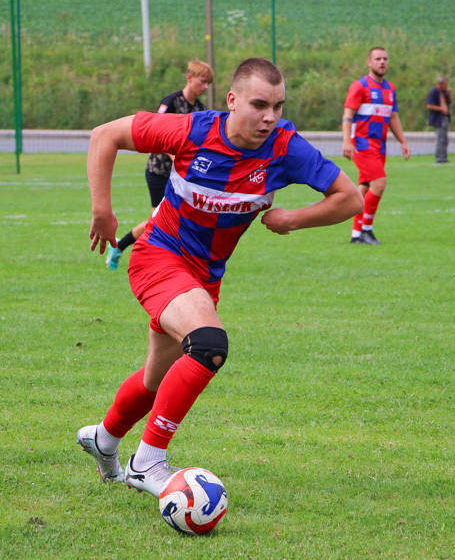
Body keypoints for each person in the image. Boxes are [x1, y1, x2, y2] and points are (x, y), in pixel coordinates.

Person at [77, 58, 363, 497]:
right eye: (259, 104)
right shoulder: (191, 130)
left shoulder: (284, 148)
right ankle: (146, 462)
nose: (270, 117)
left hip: (204, 276)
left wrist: (293, 220)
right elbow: (105, 135)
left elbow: (350, 198)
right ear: (232, 101)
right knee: (209, 345)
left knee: (157, 382)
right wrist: (103, 209)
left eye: (278, 106)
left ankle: (105, 438)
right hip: (158, 256)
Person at [105, 60, 214, 270]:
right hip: (159, 172)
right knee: (158, 220)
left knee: (183, 218)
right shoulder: (171, 102)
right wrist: (175, 156)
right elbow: (155, 132)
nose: (206, 87)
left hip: (182, 176)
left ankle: (178, 261)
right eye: (203, 81)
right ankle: (122, 247)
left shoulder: (200, 109)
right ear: (189, 77)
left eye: (208, 83)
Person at [342, 46, 411, 246]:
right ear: (369, 62)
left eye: (385, 58)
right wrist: (346, 140)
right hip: (362, 144)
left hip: (380, 146)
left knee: (363, 188)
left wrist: (403, 141)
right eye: (378, 58)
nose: (382, 62)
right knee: (379, 184)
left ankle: (356, 234)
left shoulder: (390, 89)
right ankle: (366, 229)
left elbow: (393, 117)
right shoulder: (359, 86)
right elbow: (348, 116)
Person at [426, 75, 452, 163]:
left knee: (445, 139)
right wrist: (441, 108)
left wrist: (450, 93)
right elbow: (429, 105)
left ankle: (444, 157)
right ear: (440, 84)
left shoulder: (445, 92)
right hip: (438, 118)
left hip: (445, 117)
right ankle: (439, 158)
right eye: (445, 85)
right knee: (440, 139)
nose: (447, 86)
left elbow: (450, 102)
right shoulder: (433, 92)